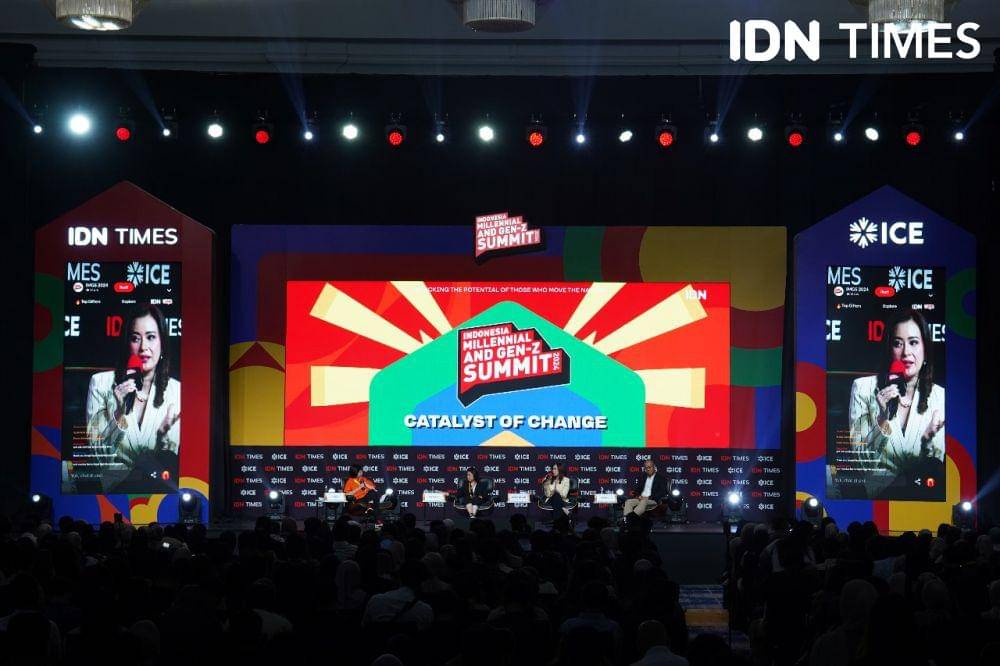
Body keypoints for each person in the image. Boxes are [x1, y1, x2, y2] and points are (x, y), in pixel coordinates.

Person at [848, 310, 945, 498]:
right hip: (881, 500)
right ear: (889, 349)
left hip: (925, 498)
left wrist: (927, 438)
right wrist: (882, 420)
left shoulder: (940, 396)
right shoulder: (863, 389)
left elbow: (938, 466)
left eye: (913, 342)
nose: (906, 352)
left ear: (925, 350)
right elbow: (861, 462)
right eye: (898, 343)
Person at [85, 304, 180, 493]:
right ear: (127, 343)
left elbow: (173, 461)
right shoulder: (101, 383)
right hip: (114, 495)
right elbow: (97, 455)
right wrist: (118, 414)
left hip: (160, 496)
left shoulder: (176, 391)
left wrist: (163, 439)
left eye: (151, 337)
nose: (143, 347)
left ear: (162, 342)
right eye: (136, 338)